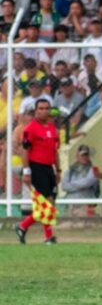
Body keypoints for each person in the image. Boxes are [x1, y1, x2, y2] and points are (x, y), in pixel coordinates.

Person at [14, 99, 61, 245]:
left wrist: (58, 170)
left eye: (47, 108)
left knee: (49, 204)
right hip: (36, 167)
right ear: (36, 111)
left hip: (48, 168)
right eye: (41, 108)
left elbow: (55, 151)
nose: (44, 111)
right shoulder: (30, 129)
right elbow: (25, 150)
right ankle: (48, 237)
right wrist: (27, 171)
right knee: (45, 203)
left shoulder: (53, 128)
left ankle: (22, 226)